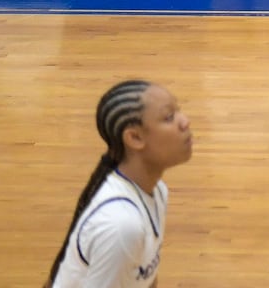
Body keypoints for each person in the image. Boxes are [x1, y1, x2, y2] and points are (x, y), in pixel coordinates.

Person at [45, 80, 194, 288]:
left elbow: (144, 277)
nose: (185, 122)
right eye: (169, 117)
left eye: (178, 111)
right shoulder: (121, 225)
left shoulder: (156, 191)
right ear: (134, 138)